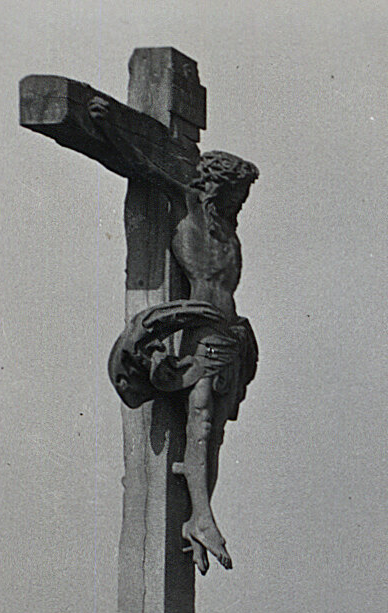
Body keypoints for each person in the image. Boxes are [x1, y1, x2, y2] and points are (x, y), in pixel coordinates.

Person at [107, 150, 260, 574]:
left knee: (215, 434)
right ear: (216, 185)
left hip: (231, 335)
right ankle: (202, 516)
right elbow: (142, 158)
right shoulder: (186, 206)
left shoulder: (226, 230)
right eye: (238, 193)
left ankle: (200, 514)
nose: (241, 202)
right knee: (202, 422)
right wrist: (97, 125)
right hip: (204, 333)